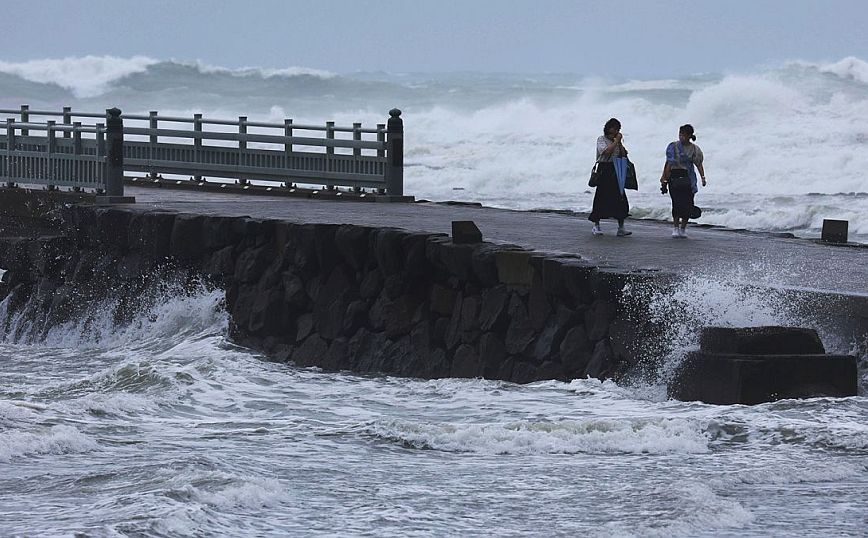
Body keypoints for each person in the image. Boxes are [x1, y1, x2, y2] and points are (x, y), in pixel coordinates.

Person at [660, 124, 706, 238]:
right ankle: (675, 228)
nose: (681, 137)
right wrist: (664, 178)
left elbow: (698, 164)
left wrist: (703, 177)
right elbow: (668, 163)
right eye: (680, 134)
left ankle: (683, 229)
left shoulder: (694, 149)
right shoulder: (673, 146)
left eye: (683, 134)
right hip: (674, 177)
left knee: (688, 203)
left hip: (688, 178)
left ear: (689, 136)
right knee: (676, 202)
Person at [589, 118, 631, 236]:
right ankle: (596, 226)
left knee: (620, 198)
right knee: (601, 197)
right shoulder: (601, 139)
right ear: (608, 128)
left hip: (616, 169)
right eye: (614, 128)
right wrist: (615, 141)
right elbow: (606, 152)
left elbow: (623, 154)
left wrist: (619, 143)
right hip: (604, 169)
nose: (616, 130)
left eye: (618, 129)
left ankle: (621, 227)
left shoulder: (616, 141)